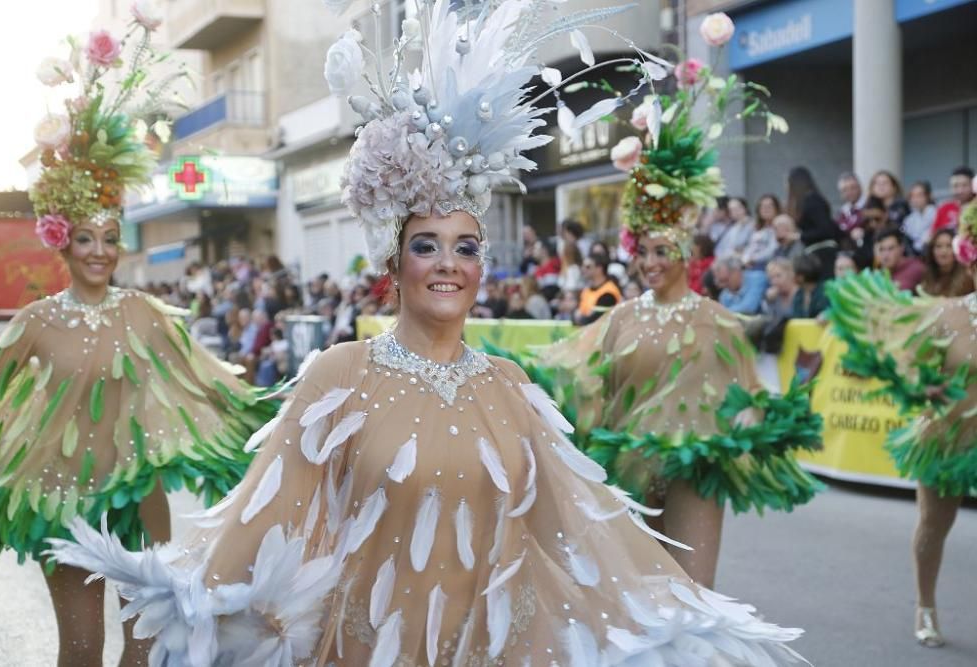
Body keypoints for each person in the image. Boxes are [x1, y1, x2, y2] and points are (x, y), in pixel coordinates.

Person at [49, 4, 806, 663]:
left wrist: (667, 621)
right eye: (427, 245)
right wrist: (192, 603)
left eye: (466, 246)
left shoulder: (511, 387)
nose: (448, 264)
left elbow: (576, 530)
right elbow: (261, 520)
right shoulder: (340, 374)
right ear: (395, 258)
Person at [0, 16, 277, 666]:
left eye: (111, 237)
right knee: (81, 650)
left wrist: (272, 409)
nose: (100, 251)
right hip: (61, 501)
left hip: (140, 500)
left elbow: (211, 382)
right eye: (85, 237)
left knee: (145, 652)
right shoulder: (33, 323)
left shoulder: (146, 314)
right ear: (62, 239)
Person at [528, 40, 821, 588]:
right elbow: (578, 380)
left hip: (697, 467)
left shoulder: (718, 319)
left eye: (662, 251)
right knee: (640, 596)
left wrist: (780, 408)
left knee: (693, 594)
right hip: (632, 468)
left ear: (686, 253)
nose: (650, 262)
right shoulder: (618, 318)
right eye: (643, 251)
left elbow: (747, 395)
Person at [827, 202, 977, 648]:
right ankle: (925, 606)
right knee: (934, 523)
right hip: (948, 436)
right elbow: (904, 361)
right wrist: (919, 383)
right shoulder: (945, 313)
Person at [787, 166, 840, 277]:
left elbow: (825, 229)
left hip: (823, 253)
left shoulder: (813, 200)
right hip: (816, 253)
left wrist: (799, 236)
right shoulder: (808, 201)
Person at [920, 228, 974, 298]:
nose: (943, 251)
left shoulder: (967, 276)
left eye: (949, 246)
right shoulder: (928, 274)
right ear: (932, 251)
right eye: (938, 246)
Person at [576, 251, 622, 325]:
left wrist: (579, 318)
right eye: (583, 266)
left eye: (588, 267)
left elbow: (594, 319)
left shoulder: (609, 292)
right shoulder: (586, 290)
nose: (583, 269)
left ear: (599, 268)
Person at [875, 228, 925, 292]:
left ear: (901, 248)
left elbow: (899, 292)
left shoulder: (915, 268)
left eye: (891, 249)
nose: (885, 255)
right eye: (881, 250)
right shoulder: (881, 273)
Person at [932, 166, 975, 233]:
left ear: (973, 186)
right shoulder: (944, 208)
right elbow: (933, 236)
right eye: (955, 186)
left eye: (964, 185)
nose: (960, 190)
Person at [742, 194, 780, 269]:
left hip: (769, 267)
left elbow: (772, 250)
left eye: (769, 206)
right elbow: (749, 247)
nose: (765, 209)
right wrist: (745, 259)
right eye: (762, 207)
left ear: (776, 209)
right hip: (751, 267)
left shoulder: (779, 227)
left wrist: (753, 259)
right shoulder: (756, 228)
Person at [903, 181, 938, 254]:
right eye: (913, 196)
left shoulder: (936, 213)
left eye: (919, 195)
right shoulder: (908, 219)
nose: (916, 199)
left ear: (927, 196)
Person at [791, 254, 828, 318]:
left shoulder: (826, 292)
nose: (790, 276)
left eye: (792, 272)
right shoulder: (798, 295)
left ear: (801, 277)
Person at [835, 171, 868, 237]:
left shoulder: (870, 205)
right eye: (844, 190)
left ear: (860, 188)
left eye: (853, 188)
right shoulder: (841, 212)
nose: (849, 192)